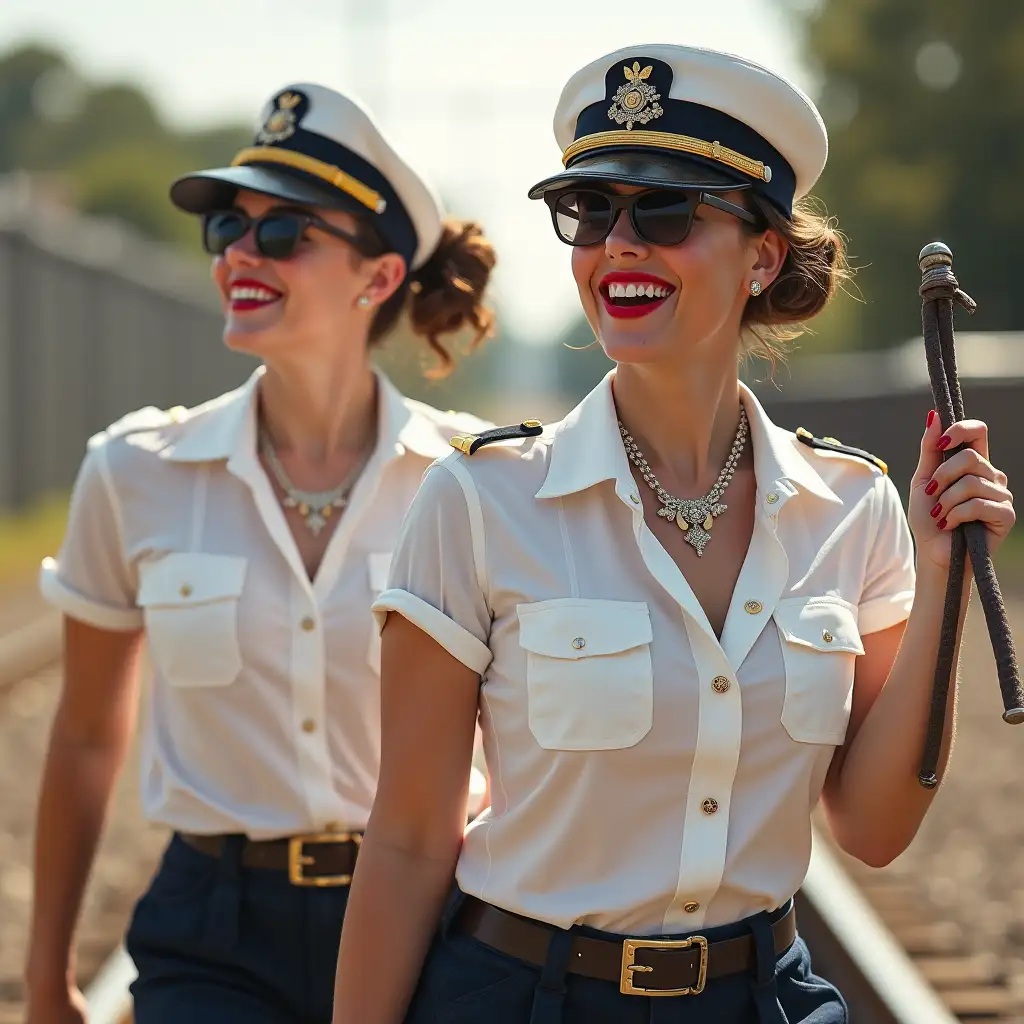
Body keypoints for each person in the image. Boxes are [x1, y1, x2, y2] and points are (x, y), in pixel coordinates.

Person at [331, 44, 1016, 1024]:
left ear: (763, 255)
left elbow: (871, 828)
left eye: (663, 212)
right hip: (522, 1000)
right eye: (589, 210)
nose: (618, 244)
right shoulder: (478, 502)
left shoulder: (853, 508)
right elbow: (404, 838)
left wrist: (946, 567)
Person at [24, 82, 496, 1024]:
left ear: (378, 277)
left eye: (285, 234)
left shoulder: (477, 483)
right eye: (229, 227)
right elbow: (82, 737)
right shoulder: (134, 472)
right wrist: (47, 982)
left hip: (433, 911)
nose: (241, 251)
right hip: (213, 930)